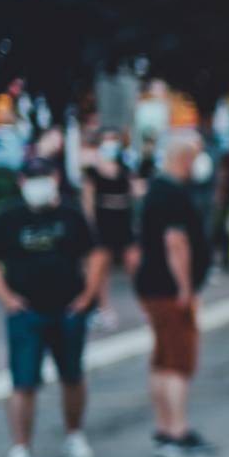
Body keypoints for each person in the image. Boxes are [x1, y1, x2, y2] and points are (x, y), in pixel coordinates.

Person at [0, 159, 105, 457]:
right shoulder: (9, 217)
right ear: (22, 181)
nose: (39, 183)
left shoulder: (71, 215)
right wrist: (7, 299)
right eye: (32, 177)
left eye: (44, 177)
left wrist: (88, 296)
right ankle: (20, 450)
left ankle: (74, 435)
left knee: (73, 376)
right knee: (23, 383)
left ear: (56, 178)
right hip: (27, 312)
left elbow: (95, 254)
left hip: (67, 309)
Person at [134, 133, 218, 457]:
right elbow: (176, 244)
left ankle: (164, 427)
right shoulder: (171, 195)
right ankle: (177, 432)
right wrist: (185, 288)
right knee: (178, 362)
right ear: (183, 157)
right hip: (169, 291)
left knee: (162, 358)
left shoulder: (158, 189)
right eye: (195, 156)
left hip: (153, 286)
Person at [81, 129, 140, 330]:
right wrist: (91, 225)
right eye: (106, 140)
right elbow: (88, 199)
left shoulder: (125, 167)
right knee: (100, 267)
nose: (110, 144)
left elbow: (135, 191)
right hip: (103, 220)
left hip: (123, 218)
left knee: (134, 261)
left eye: (113, 140)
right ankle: (102, 309)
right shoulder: (92, 171)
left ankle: (147, 303)